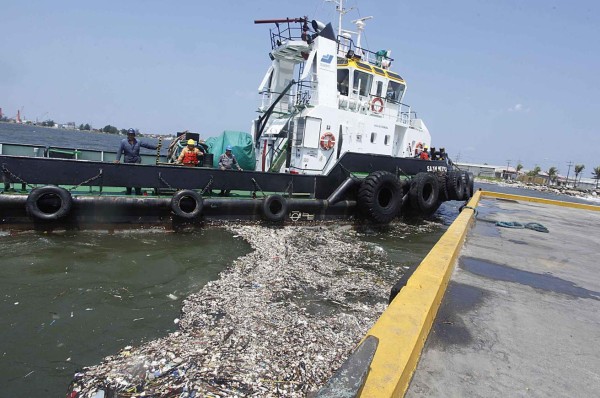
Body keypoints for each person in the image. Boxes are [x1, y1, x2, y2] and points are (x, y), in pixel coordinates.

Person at [114, 128, 158, 195]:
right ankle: (128, 190)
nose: (131, 136)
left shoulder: (138, 141)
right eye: (129, 134)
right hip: (127, 161)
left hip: (137, 161)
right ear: (127, 135)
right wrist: (117, 159)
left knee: (137, 177)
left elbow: (146, 145)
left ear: (134, 135)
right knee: (128, 177)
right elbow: (119, 151)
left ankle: (138, 191)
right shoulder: (123, 142)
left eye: (132, 134)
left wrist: (156, 147)